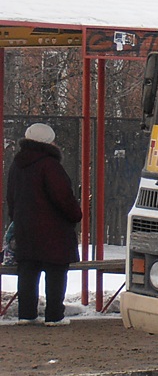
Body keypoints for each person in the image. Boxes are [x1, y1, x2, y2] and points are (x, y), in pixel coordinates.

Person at [6, 123, 83, 326]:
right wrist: (75, 214)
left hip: (25, 228)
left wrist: (17, 218)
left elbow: (11, 197)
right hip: (53, 231)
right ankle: (54, 315)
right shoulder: (50, 165)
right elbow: (63, 196)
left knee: (28, 270)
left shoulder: (17, 165)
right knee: (56, 270)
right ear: (49, 142)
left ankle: (27, 314)